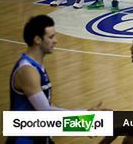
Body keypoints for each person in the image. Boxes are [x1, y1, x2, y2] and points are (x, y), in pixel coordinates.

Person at [10, 15, 102, 143]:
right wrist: (84, 123)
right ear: (37, 39)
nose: (56, 41)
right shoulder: (27, 71)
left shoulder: (37, 67)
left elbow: (45, 106)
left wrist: (84, 113)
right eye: (51, 37)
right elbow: (45, 111)